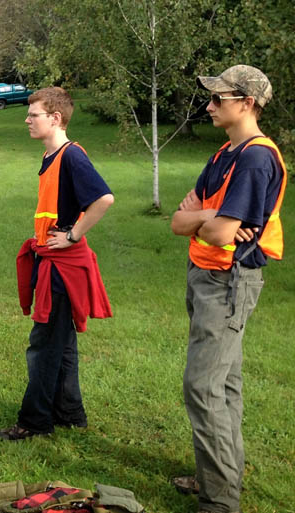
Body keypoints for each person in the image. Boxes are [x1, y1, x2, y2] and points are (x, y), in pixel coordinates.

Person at [170, 65, 286, 513]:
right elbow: (182, 221)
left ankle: (219, 500)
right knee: (225, 384)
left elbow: (222, 234)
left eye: (219, 98)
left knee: (202, 386)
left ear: (248, 103)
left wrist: (207, 219)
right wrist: (208, 216)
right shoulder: (225, 154)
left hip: (228, 283)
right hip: (205, 277)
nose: (210, 104)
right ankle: (219, 475)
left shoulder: (256, 158)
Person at [0, 87, 114, 441]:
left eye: (34, 114)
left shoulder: (72, 156)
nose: (27, 120)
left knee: (44, 344)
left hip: (63, 266)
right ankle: (69, 413)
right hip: (52, 262)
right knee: (61, 343)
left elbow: (104, 198)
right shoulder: (51, 158)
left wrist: (73, 234)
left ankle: (34, 421)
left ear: (56, 118)